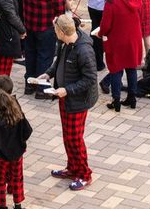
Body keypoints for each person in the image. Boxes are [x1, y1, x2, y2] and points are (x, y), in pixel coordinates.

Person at [42, 13, 98, 191]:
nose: (54, 32)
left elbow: (90, 78)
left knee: (75, 138)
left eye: (55, 29)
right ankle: (72, 168)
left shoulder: (84, 50)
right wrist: (48, 74)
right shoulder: (64, 42)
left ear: (61, 31)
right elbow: (58, 62)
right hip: (64, 97)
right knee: (67, 136)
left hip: (78, 101)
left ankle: (84, 174)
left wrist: (68, 90)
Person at [94, 0, 142, 111]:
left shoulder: (111, 2)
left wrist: (100, 33)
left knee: (116, 70)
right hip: (134, 40)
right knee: (131, 69)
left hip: (117, 41)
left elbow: (106, 24)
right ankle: (132, 98)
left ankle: (116, 100)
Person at [0, 84, 32, 208]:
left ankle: (2, 206)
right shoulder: (19, 116)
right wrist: (21, 142)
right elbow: (28, 131)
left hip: (0, 156)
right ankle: (18, 204)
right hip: (17, 154)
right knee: (17, 179)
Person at [21, 0, 65, 94]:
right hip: (45, 24)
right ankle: (41, 88)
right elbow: (59, 7)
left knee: (31, 53)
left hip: (29, 21)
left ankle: (29, 84)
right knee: (44, 56)